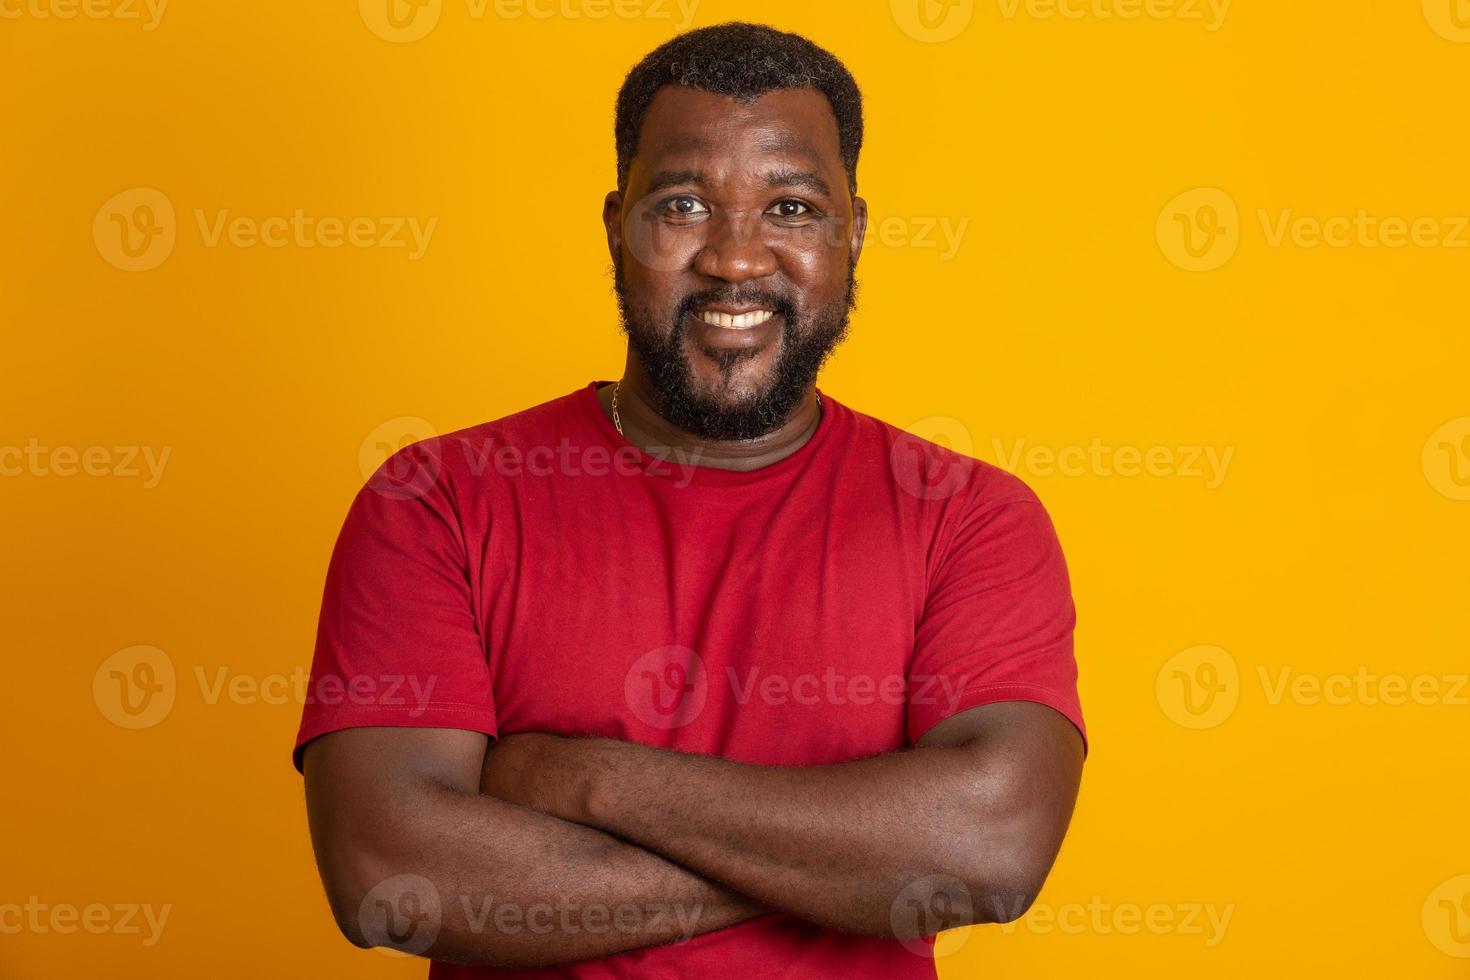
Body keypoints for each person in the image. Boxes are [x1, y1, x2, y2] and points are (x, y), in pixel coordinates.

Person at [295, 21, 1086, 978]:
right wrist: (849, 864)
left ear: (854, 235)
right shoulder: (435, 502)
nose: (737, 259)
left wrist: (582, 781)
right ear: (616, 226)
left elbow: (988, 853)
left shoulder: (969, 518)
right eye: (682, 205)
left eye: (791, 207)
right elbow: (391, 878)